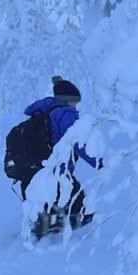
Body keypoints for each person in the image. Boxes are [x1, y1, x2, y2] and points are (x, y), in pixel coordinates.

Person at [20, 76, 101, 237]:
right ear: (67, 100)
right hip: (57, 170)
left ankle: (43, 232)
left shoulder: (42, 112)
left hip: (36, 169)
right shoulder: (65, 114)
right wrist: (99, 162)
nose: (76, 106)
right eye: (74, 102)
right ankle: (65, 241)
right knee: (81, 206)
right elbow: (79, 142)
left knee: (45, 207)